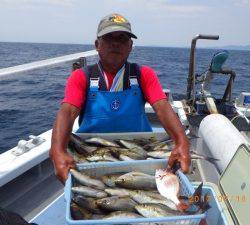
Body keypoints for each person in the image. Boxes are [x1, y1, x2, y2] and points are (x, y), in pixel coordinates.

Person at [50, 13, 190, 184]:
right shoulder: (81, 77)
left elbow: (162, 107)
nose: (116, 43)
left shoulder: (143, 74)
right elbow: (68, 111)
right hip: (92, 150)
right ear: (97, 45)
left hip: (138, 150)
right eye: (109, 38)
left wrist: (181, 141)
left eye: (122, 39)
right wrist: (57, 150)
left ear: (130, 46)